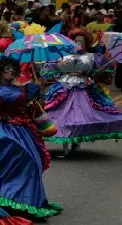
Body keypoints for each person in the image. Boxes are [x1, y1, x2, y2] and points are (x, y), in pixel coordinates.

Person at [0, 57, 61, 219]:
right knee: (1, 163)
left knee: (31, 162)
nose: (11, 71)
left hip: (22, 130)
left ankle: (23, 199)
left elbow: (32, 109)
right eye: (7, 68)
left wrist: (35, 94)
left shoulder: (25, 89)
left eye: (13, 68)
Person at [45, 28, 122, 156]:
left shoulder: (93, 57)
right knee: (62, 116)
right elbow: (49, 70)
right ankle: (65, 145)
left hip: (84, 87)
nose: (79, 42)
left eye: (82, 40)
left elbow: (106, 72)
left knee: (82, 116)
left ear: (87, 42)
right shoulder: (63, 56)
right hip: (64, 87)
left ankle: (76, 142)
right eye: (76, 40)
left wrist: (101, 70)